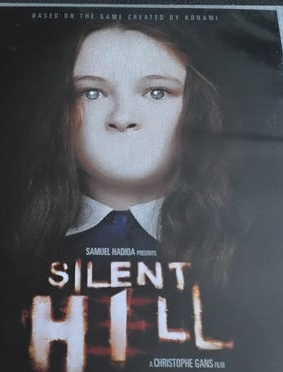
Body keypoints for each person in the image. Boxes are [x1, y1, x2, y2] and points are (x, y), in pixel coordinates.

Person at [18, 21, 236, 285]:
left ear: (197, 108)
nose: (122, 118)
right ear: (60, 112)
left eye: (156, 92)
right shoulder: (12, 247)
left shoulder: (245, 247)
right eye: (92, 93)